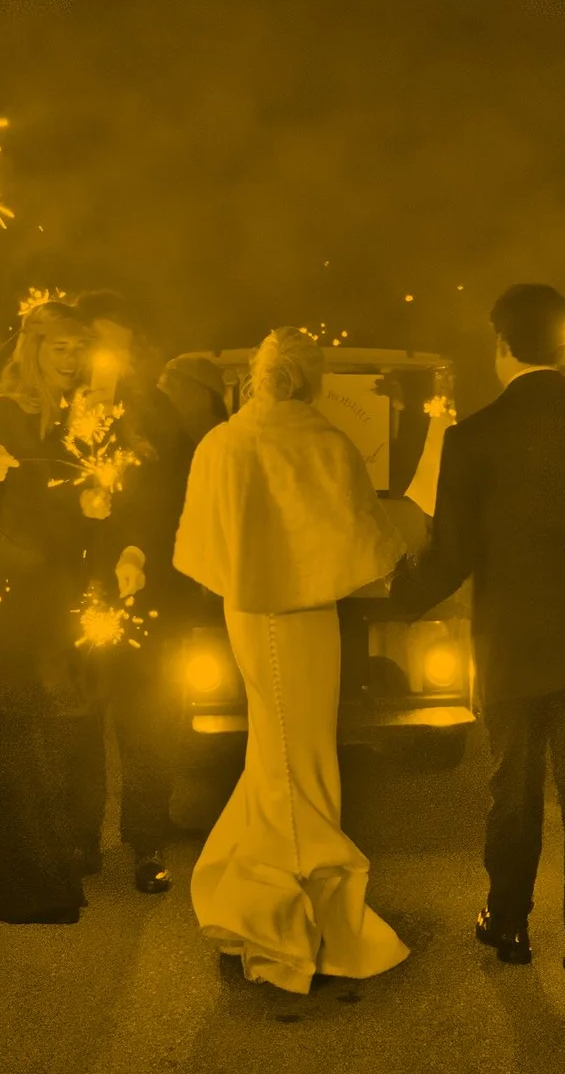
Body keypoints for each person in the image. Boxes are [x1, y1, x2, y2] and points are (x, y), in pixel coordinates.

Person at [388, 284, 565, 1028]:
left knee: (512, 789)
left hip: (514, 646)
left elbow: (451, 552)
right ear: (562, 343)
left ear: (502, 345)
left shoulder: (474, 436)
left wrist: (398, 595)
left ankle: (509, 921)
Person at [174, 328, 416, 992]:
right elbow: (367, 542)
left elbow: (199, 547)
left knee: (273, 749)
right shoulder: (326, 444)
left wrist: (247, 570)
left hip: (248, 615)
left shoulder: (221, 443)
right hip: (309, 619)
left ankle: (255, 898)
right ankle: (286, 921)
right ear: (313, 381)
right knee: (299, 754)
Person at [0, 301, 143, 924]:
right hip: (13, 598)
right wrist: (75, 506)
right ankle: (27, 887)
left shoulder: (82, 416)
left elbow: (104, 492)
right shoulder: (1, 412)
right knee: (17, 737)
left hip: (64, 593)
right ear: (32, 349)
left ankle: (55, 871)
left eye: (77, 349)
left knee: (54, 738)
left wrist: (109, 518)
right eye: (58, 348)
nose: (69, 360)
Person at [79, 290, 200, 896]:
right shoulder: (59, 408)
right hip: (74, 582)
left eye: (115, 344)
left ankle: (146, 838)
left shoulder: (155, 411)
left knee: (149, 719)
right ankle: (77, 838)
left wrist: (139, 548)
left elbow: (172, 498)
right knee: (74, 715)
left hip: (149, 582)